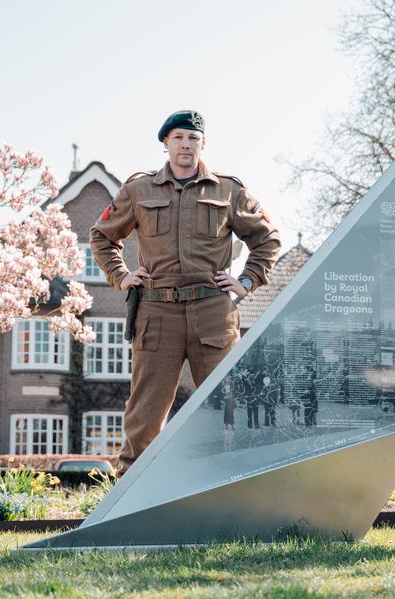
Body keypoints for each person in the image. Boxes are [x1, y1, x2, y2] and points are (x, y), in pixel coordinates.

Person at [90, 110, 280, 474]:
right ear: (166, 143)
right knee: (146, 410)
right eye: (178, 138)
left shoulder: (229, 190)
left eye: (193, 139)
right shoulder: (138, 189)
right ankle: (132, 492)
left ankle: (232, 483)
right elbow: (102, 236)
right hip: (157, 312)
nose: (186, 145)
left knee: (230, 403)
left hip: (213, 312)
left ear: (203, 144)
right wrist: (121, 276)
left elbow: (267, 238)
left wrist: (248, 281)